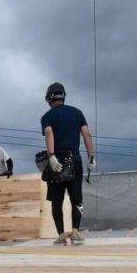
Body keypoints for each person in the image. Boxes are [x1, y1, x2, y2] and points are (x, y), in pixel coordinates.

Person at [40, 82, 95, 245]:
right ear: (63, 96)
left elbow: (49, 133)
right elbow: (86, 134)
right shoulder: (77, 113)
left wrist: (51, 156)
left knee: (57, 201)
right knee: (76, 199)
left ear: (49, 98)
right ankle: (76, 233)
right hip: (75, 161)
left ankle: (62, 236)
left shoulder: (47, 116)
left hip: (56, 162)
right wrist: (91, 157)